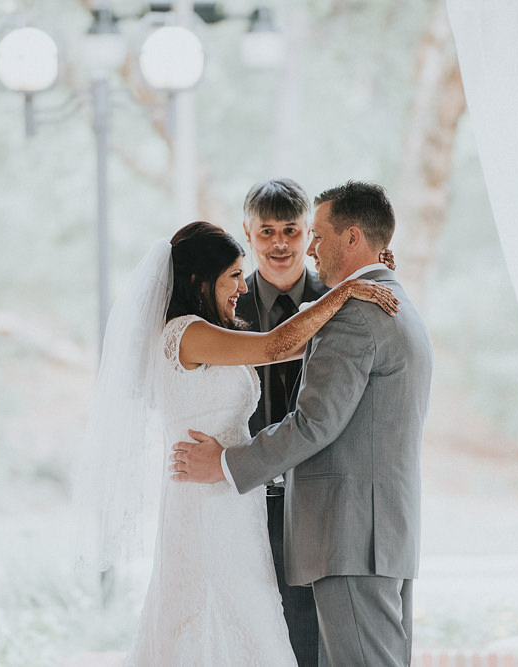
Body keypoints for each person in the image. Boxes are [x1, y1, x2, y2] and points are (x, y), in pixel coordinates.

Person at [78, 222, 398, 665]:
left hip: (229, 496)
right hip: (204, 503)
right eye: (232, 275)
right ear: (197, 280)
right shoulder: (184, 333)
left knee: (243, 613)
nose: (240, 289)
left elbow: (293, 347)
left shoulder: (209, 333)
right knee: (209, 613)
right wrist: (343, 293)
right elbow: (275, 345)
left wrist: (346, 298)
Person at [170, 182, 434, 667]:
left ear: (352, 238)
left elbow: (315, 424)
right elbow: (279, 347)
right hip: (369, 532)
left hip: (349, 534)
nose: (307, 248)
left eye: (314, 234)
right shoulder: (390, 302)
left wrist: (226, 464)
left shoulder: (357, 312)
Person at [235, 178, 327, 666]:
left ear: (309, 233)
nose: (279, 244)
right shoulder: (224, 310)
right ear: (247, 234)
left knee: (308, 637)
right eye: (266, 231)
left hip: (319, 501)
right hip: (243, 502)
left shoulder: (342, 299)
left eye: (290, 230)